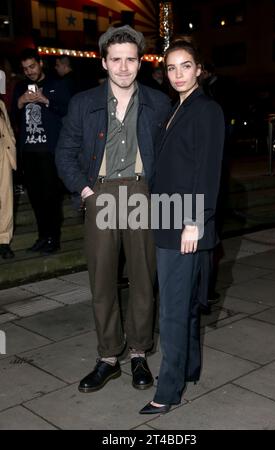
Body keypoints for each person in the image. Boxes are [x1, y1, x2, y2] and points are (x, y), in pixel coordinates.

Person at [55, 26, 171, 393]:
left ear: (141, 62)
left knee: (143, 278)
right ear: (104, 62)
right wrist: (86, 191)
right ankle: (108, 357)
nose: (123, 67)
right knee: (102, 279)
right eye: (116, 59)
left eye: (131, 59)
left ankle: (138, 352)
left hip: (141, 193)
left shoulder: (159, 103)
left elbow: (172, 157)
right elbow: (65, 153)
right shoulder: (83, 102)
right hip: (100, 193)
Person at [140, 40, 225, 414]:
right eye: (171, 67)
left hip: (184, 223)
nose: (177, 74)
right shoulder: (178, 108)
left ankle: (169, 391)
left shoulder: (206, 109)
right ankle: (189, 369)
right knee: (186, 306)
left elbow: (207, 170)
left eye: (185, 66)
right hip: (168, 218)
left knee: (172, 309)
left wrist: (195, 221)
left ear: (199, 69)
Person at [12, 48, 71, 254]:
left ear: (40, 63)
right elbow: (12, 117)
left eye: (32, 66)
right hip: (29, 151)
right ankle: (42, 237)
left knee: (51, 197)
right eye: (25, 69)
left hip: (49, 151)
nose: (29, 71)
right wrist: (20, 102)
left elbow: (67, 111)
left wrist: (45, 100)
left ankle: (53, 239)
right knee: (36, 198)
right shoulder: (20, 87)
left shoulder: (56, 85)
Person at [0, 70, 16, 259]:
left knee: (5, 200)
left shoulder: (1, 104)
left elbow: (9, 129)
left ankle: (3, 241)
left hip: (3, 156)